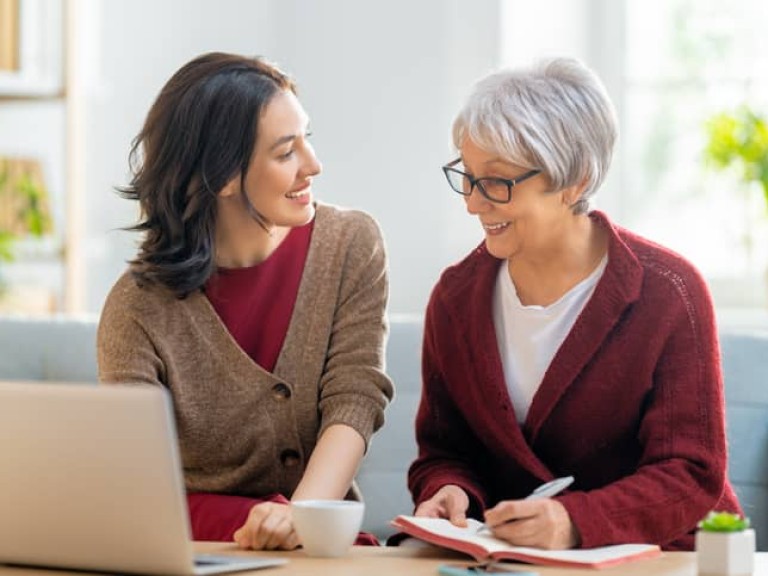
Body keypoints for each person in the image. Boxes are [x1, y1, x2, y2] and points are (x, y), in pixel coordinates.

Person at [408, 57, 741, 551]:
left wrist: (574, 521)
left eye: (497, 182)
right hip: (515, 560)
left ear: (576, 180)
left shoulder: (670, 291)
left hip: (657, 556)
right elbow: (444, 451)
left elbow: (691, 473)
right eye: (467, 176)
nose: (473, 203)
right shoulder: (455, 299)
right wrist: (447, 490)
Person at [97, 52, 393, 551]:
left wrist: (302, 517)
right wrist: (257, 519)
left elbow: (355, 399)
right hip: (194, 547)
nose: (313, 165)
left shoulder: (351, 245)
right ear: (223, 176)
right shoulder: (136, 309)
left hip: (317, 543)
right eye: (285, 153)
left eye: (308, 139)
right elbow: (138, 484)